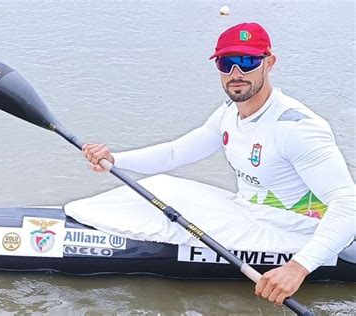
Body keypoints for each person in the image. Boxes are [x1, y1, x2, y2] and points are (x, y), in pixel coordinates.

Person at [82, 22, 355, 304]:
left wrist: (298, 267)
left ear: (269, 63)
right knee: (163, 186)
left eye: (247, 61)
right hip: (249, 214)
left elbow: (348, 203)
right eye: (227, 63)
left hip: (295, 231)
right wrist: (115, 160)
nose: (236, 73)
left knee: (167, 202)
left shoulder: (297, 128)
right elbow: (176, 153)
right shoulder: (228, 112)